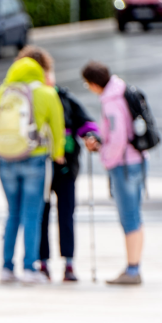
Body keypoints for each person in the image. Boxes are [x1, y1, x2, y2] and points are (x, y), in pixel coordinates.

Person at [15, 47, 99, 283]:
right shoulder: (46, 96)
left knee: (57, 214)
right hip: (47, 166)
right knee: (49, 215)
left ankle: (62, 263)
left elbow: (86, 123)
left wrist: (93, 136)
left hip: (55, 167)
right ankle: (48, 263)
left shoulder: (57, 97)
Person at [0, 55, 65, 284]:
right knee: (32, 214)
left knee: (13, 213)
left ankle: (7, 267)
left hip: (6, 159)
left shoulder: (3, 90)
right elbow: (57, 128)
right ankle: (30, 267)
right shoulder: (46, 93)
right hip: (35, 158)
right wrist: (58, 153)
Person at [81, 60, 146, 286]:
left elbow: (117, 138)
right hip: (136, 160)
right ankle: (134, 266)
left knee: (129, 217)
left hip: (124, 165)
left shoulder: (111, 102)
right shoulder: (121, 90)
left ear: (93, 83)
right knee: (135, 216)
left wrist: (105, 157)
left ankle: (133, 269)